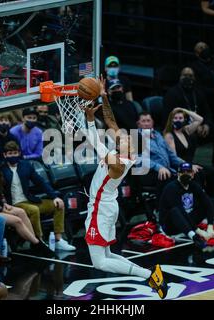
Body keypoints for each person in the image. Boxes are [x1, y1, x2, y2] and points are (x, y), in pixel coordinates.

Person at [82, 77, 168, 299]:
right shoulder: (122, 151)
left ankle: (149, 275)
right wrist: (103, 96)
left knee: (100, 262)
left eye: (125, 140)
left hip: (100, 209)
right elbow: (111, 122)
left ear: (131, 150)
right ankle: (150, 274)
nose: (121, 138)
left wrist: (90, 119)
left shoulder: (118, 163)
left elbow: (95, 141)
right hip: (108, 206)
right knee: (108, 253)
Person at [0, 150, 54, 256]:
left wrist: (4, 203)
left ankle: (34, 241)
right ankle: (38, 244)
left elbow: (0, 192)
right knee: (17, 221)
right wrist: (2, 209)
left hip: (0, 206)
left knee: (21, 212)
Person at [1, 141, 75, 251]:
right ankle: (39, 241)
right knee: (34, 210)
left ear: (19, 153)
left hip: (29, 200)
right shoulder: (0, 169)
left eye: (15, 153)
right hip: (14, 204)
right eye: (10, 153)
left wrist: (54, 197)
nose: (13, 155)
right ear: (5, 155)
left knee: (59, 205)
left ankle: (58, 239)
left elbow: (40, 182)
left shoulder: (25, 165)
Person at [163, 67, 214, 176]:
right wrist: (191, 126)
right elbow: (169, 118)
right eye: (185, 75)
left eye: (190, 76)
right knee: (191, 136)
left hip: (200, 127)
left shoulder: (198, 92)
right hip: (180, 130)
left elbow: (208, 112)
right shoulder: (172, 93)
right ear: (180, 77)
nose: (187, 78)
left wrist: (206, 125)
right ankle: (188, 165)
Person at [159, 163, 214, 248]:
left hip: (189, 220)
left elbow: (208, 203)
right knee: (176, 210)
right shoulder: (171, 188)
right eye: (183, 172)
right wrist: (199, 232)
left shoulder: (193, 185)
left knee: (211, 201)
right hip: (171, 225)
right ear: (178, 174)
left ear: (193, 174)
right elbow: (180, 212)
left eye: (188, 172)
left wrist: (210, 226)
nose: (185, 174)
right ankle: (194, 237)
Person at [163, 108, 214, 199]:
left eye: (180, 118)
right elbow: (173, 159)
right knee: (199, 174)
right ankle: (198, 201)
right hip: (180, 165)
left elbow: (200, 119)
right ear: (171, 120)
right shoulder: (169, 135)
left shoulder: (186, 130)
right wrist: (189, 166)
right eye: (175, 118)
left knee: (213, 172)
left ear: (184, 120)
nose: (178, 120)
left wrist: (182, 110)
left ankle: (213, 201)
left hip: (190, 163)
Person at [137, 112, 186, 196]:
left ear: (152, 122)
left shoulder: (158, 134)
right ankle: (162, 207)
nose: (146, 123)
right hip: (148, 172)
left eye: (148, 121)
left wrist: (185, 164)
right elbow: (139, 159)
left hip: (167, 170)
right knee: (167, 178)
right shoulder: (136, 136)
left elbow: (171, 155)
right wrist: (158, 167)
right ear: (138, 123)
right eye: (143, 121)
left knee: (192, 172)